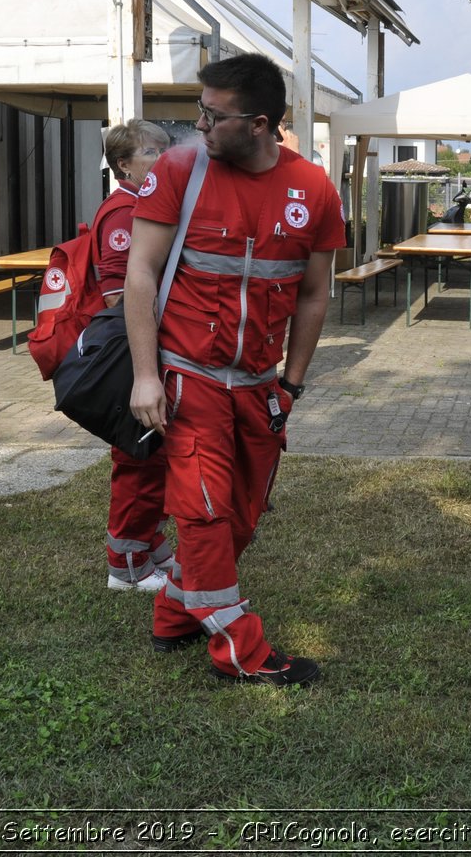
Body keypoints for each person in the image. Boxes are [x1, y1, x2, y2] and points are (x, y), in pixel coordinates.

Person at [124, 53, 344, 684]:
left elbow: (313, 293)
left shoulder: (314, 188)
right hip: (187, 377)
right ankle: (242, 651)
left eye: (213, 116)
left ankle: (175, 610)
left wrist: (292, 382)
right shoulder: (178, 171)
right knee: (202, 513)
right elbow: (140, 272)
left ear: (259, 124)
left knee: (243, 514)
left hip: (259, 385)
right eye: (200, 110)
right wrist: (146, 375)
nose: (198, 125)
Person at [98, 119, 177, 592]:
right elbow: (117, 293)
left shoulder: (144, 204)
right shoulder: (124, 212)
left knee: (156, 458)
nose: (163, 158)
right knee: (138, 460)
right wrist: (146, 366)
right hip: (133, 358)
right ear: (124, 164)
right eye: (152, 152)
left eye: (166, 149)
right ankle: (125, 568)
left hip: (149, 353)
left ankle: (148, 544)